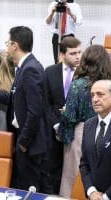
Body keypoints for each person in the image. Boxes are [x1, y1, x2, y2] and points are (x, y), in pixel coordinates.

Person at [0, 26, 51, 192]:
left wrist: (23, 143)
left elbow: (35, 112)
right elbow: (13, 99)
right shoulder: (24, 67)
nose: (6, 48)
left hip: (30, 144)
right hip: (26, 141)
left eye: (7, 44)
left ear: (15, 45)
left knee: (29, 189)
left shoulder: (30, 70)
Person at [57, 45, 111, 197]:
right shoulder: (110, 85)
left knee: (72, 176)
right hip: (105, 131)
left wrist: (61, 135)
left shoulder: (79, 84)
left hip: (81, 132)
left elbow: (69, 117)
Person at [44, 36, 81, 194]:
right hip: (54, 130)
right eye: (73, 53)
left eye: (80, 52)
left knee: (73, 172)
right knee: (53, 170)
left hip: (76, 129)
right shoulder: (50, 71)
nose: (78, 56)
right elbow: (46, 103)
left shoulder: (85, 74)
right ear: (62, 54)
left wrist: (68, 124)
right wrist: (57, 125)